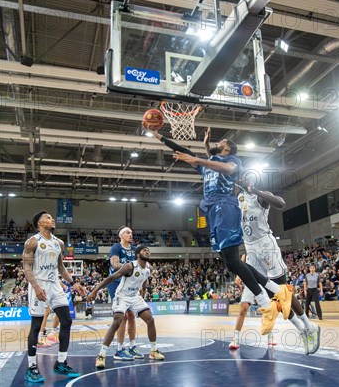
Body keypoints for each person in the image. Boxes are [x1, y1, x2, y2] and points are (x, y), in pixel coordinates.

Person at [147, 128, 292, 334]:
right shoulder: (209, 166)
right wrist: (158, 136)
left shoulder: (234, 160)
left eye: (221, 141)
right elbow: (183, 150)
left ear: (228, 149)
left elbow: (227, 169)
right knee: (230, 263)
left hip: (226, 207)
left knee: (233, 261)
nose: (217, 142)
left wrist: (199, 159)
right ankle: (275, 292)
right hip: (214, 212)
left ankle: (265, 301)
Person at [229, 185, 320, 355]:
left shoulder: (260, 196)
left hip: (266, 246)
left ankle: (309, 326)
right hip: (251, 249)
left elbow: (281, 203)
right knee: (274, 299)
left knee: (283, 291)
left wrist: (254, 190)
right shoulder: (236, 201)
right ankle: (302, 330)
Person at [23, 211, 87, 383]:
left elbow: (61, 267)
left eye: (51, 217)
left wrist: (74, 283)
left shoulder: (59, 242)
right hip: (39, 284)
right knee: (36, 327)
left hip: (55, 285)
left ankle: (61, 362)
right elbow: (27, 266)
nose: (52, 219)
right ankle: (31, 367)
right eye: (48, 217)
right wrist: (35, 286)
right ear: (39, 223)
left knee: (66, 321)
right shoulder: (33, 241)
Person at [88, 245, 165, 368]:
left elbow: (144, 279)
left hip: (135, 297)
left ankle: (153, 351)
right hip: (122, 296)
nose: (148, 252)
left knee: (150, 319)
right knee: (117, 321)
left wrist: (143, 290)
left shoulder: (148, 268)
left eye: (149, 251)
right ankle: (101, 356)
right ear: (138, 254)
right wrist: (94, 291)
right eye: (145, 250)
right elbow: (112, 277)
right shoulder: (130, 266)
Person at [108, 226, 143, 360]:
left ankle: (132, 346)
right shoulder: (116, 247)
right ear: (121, 235)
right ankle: (119, 349)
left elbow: (142, 265)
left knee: (132, 315)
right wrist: (129, 266)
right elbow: (115, 264)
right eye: (128, 232)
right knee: (122, 317)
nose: (130, 235)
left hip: (129, 285)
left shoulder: (135, 250)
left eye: (131, 233)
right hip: (116, 285)